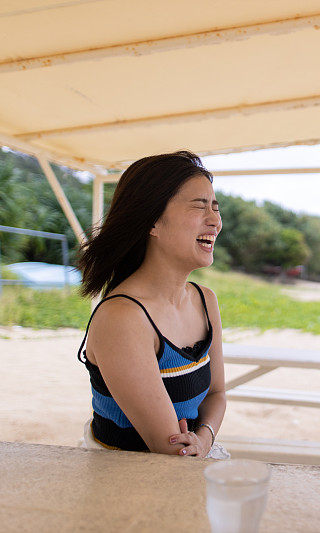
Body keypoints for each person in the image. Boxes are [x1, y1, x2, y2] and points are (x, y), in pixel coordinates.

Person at [75, 150, 226, 458]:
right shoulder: (122, 317)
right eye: (200, 206)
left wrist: (205, 438)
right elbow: (168, 447)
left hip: (191, 459)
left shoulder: (205, 300)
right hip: (125, 481)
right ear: (152, 221)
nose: (215, 221)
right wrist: (196, 446)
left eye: (215, 207)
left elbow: (217, 394)